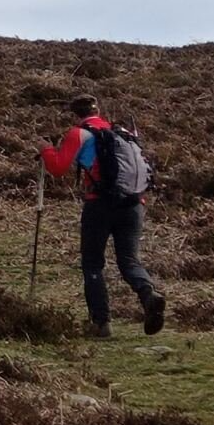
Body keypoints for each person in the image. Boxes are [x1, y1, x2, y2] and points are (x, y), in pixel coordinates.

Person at [40, 96, 166, 338]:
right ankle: (148, 294)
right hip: (133, 204)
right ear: (99, 111)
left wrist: (44, 149)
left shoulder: (80, 133)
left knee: (93, 263)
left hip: (99, 204)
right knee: (129, 260)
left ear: (75, 114)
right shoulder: (120, 132)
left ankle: (101, 323)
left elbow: (58, 168)